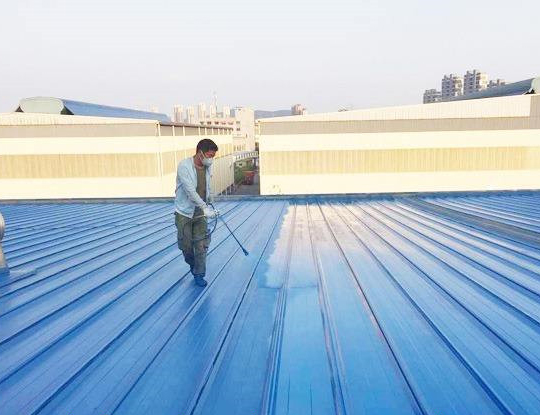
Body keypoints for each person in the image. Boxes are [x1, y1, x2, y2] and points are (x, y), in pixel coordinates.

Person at [174, 139, 219, 287]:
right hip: (184, 213)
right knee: (186, 247)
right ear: (200, 153)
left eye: (213, 156)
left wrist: (210, 198)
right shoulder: (184, 166)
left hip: (200, 212)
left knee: (201, 246)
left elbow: (207, 185)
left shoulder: (207, 166)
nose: (211, 159)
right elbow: (190, 191)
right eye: (209, 155)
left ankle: (199, 274)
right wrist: (204, 207)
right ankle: (193, 266)